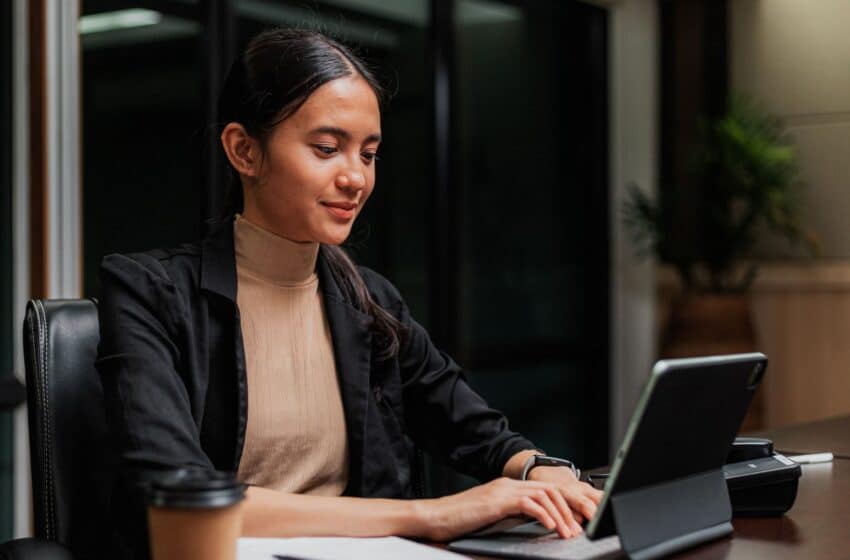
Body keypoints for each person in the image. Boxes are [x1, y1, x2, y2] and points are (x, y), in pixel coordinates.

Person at [96, 27, 602, 558]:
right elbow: (182, 497)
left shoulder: (370, 299)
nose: (356, 178)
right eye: (327, 149)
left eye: (369, 154)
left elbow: (475, 431)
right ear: (244, 150)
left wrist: (540, 469)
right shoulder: (148, 291)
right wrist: (430, 515)